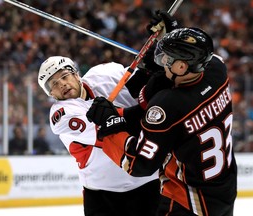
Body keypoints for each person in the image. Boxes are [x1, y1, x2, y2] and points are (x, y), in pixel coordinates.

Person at [86, 23, 238, 215]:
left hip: (188, 202)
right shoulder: (217, 69)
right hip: (223, 191)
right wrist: (173, 33)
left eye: (168, 58)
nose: (163, 60)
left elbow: (138, 164)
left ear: (182, 66)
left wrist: (110, 125)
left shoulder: (167, 104)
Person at [37, 56, 160, 216]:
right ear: (52, 94)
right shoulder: (61, 115)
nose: (62, 84)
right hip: (103, 196)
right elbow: (111, 128)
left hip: (149, 183)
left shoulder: (105, 73)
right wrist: (150, 113)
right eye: (54, 84)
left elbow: (141, 86)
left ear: (76, 74)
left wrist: (153, 62)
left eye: (64, 76)